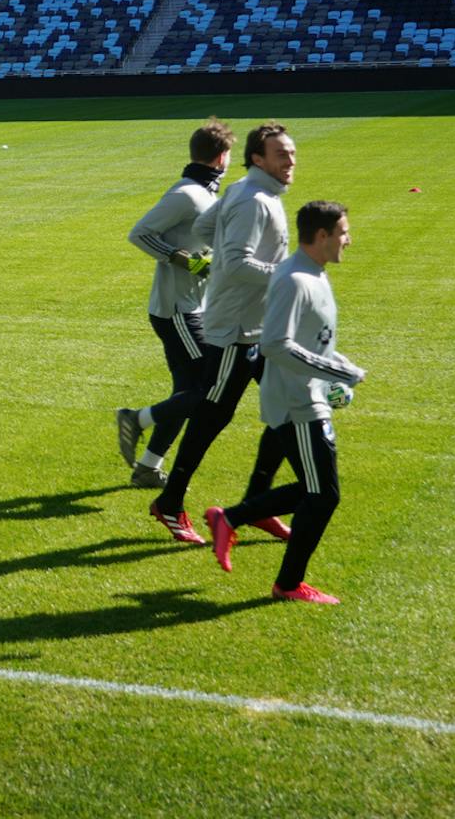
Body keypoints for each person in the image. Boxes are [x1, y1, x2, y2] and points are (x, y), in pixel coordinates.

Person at [207, 201, 366, 605]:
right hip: (297, 402)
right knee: (323, 494)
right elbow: (275, 344)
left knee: (318, 491)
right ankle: (287, 582)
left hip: (308, 396)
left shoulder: (313, 273)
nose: (349, 240)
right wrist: (335, 372)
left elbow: (312, 338)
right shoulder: (294, 279)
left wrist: (340, 365)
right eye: (343, 232)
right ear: (322, 235)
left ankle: (234, 518)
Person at [145, 124, 296, 545]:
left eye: (292, 152)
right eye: (281, 154)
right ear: (256, 158)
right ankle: (170, 500)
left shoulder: (248, 191)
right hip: (237, 329)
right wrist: (287, 274)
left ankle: (257, 504)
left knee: (285, 407)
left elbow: (205, 228)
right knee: (212, 415)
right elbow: (236, 261)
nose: (290, 160)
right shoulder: (253, 199)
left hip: (257, 325)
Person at [115, 120, 235, 488]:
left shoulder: (204, 194)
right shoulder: (187, 194)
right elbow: (140, 233)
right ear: (221, 157)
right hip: (178, 311)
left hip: (192, 308)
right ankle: (136, 419)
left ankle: (148, 468)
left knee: (187, 392)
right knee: (210, 388)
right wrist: (182, 259)